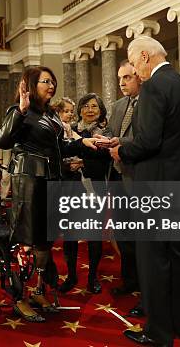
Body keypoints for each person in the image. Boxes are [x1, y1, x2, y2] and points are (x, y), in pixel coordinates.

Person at [108, 36, 180, 346]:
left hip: (153, 190)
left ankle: (158, 333)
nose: (134, 70)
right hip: (179, 184)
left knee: (153, 262)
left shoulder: (154, 87)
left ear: (144, 57)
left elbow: (147, 142)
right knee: (175, 257)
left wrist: (122, 151)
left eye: (133, 63)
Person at [0, 66, 101, 323]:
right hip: (29, 181)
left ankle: (39, 290)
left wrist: (82, 143)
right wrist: (20, 109)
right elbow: (3, 140)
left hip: (51, 178)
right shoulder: (20, 112)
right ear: (31, 85)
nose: (51, 86)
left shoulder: (51, 116)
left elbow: (59, 147)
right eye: (46, 81)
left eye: (53, 82)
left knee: (45, 241)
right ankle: (19, 297)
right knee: (27, 239)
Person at [57, 93, 111, 294]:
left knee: (94, 235)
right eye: (86, 106)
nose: (90, 110)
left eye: (94, 106)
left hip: (94, 187)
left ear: (100, 110)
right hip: (70, 187)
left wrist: (83, 162)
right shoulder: (70, 130)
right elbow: (59, 154)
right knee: (70, 235)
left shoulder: (106, 132)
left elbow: (106, 160)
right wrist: (66, 165)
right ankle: (71, 277)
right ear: (79, 110)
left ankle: (92, 278)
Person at [106, 61, 141, 309]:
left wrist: (122, 145)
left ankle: (144, 283)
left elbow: (145, 139)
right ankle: (129, 280)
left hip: (138, 178)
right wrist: (104, 142)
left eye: (127, 77)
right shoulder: (118, 106)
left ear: (139, 77)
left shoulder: (149, 103)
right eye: (120, 78)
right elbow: (112, 134)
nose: (121, 83)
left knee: (141, 235)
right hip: (116, 177)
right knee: (123, 233)